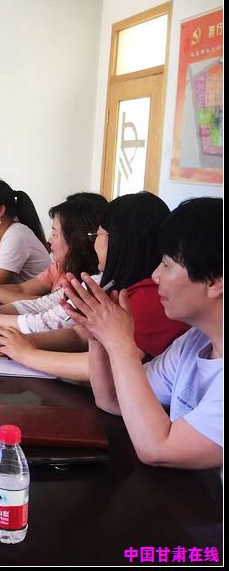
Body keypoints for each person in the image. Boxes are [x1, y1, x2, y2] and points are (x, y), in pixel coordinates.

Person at [61, 198, 222, 469]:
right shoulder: (195, 341)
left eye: (167, 264)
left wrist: (120, 343)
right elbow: (113, 399)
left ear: (214, 282)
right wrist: (98, 339)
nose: (156, 275)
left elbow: (158, 449)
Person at [0, 192, 189, 381]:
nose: (93, 244)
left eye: (97, 236)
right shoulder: (118, 286)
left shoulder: (149, 298)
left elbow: (107, 367)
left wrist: (27, 354)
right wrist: (27, 342)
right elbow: (82, 334)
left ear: (118, 242)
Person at [0, 196, 105, 332]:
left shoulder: (95, 283)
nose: (49, 240)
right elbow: (36, 303)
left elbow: (43, 321)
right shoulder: (60, 266)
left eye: (54, 233)